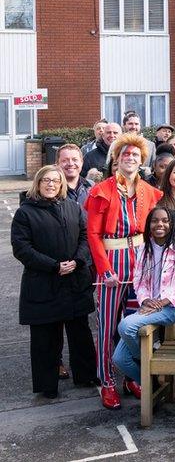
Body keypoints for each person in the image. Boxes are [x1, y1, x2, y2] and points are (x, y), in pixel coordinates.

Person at [84, 133, 163, 409]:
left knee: (136, 325)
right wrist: (104, 270)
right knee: (106, 327)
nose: (130, 158)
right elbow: (93, 235)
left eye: (135, 155)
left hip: (141, 260)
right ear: (116, 160)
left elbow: (155, 231)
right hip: (113, 260)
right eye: (125, 154)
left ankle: (131, 377)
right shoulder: (101, 190)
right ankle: (106, 381)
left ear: (142, 161)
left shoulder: (149, 191)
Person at [13, 166, 97, 399]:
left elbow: (85, 237)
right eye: (46, 180)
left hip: (74, 280)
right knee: (45, 337)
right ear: (38, 184)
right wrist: (53, 265)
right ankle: (47, 384)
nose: (51, 184)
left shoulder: (73, 208)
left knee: (80, 332)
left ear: (61, 185)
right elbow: (22, 248)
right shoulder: (25, 213)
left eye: (55, 181)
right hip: (43, 282)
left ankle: (86, 374)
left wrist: (78, 261)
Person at [112, 207, 175, 397]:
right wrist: (146, 300)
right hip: (150, 306)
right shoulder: (144, 247)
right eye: (155, 221)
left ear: (172, 223)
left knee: (126, 326)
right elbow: (139, 280)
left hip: (171, 308)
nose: (160, 224)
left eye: (165, 221)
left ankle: (146, 357)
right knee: (119, 358)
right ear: (149, 224)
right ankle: (151, 382)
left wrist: (165, 301)